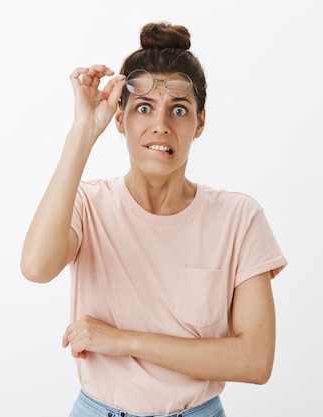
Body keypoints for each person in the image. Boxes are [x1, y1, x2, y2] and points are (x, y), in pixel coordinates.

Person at [20, 22, 287, 417]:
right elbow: (36, 268)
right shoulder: (88, 204)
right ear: (120, 118)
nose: (161, 124)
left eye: (178, 110)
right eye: (143, 108)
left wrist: (122, 341)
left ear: (199, 123)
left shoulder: (239, 218)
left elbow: (255, 361)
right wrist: (81, 131)